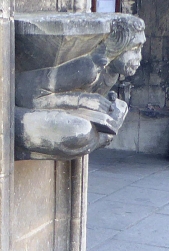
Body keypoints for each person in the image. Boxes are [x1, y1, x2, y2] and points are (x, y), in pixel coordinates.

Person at [15, 15, 145, 159]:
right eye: (134, 49)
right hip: (17, 115)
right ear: (119, 47)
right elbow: (28, 95)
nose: (139, 57)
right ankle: (99, 139)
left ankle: (97, 139)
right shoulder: (89, 68)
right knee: (81, 131)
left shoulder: (110, 74)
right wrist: (82, 100)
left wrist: (105, 102)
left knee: (120, 107)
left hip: (54, 118)